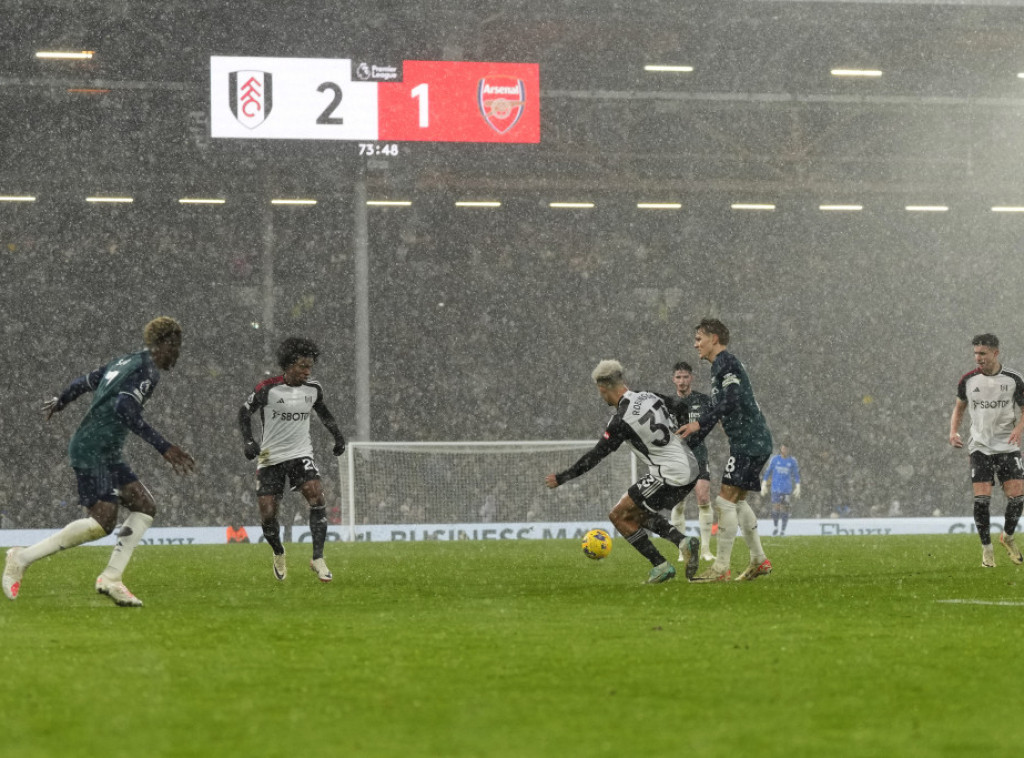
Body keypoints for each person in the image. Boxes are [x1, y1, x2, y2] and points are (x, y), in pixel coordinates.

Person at [2, 317, 196, 606]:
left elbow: (85, 382)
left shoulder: (125, 361)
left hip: (105, 450)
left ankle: (111, 578)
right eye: (176, 346)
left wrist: (62, 400)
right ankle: (22, 557)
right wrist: (163, 447)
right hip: (92, 449)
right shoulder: (147, 370)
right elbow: (125, 409)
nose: (178, 354)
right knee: (103, 522)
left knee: (145, 506)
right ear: (163, 345)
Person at [545, 360, 701, 584]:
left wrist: (562, 477)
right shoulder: (648, 396)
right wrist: (683, 433)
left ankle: (661, 565)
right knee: (635, 513)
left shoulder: (621, 420)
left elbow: (596, 455)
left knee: (618, 516)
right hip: (689, 467)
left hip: (670, 475)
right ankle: (681, 542)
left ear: (603, 388)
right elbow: (679, 405)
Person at [238, 337, 347, 583]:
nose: (307, 372)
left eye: (310, 367)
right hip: (270, 458)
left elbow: (325, 414)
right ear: (288, 365)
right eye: (302, 367)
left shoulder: (313, 389)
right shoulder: (267, 388)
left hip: (300, 454)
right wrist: (248, 440)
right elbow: (244, 412)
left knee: (316, 494)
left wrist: (338, 437)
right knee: (267, 514)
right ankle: (278, 552)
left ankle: (317, 558)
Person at [678, 318, 773, 582]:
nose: (695, 344)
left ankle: (721, 568)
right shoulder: (720, 365)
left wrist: (699, 424)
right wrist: (699, 432)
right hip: (751, 440)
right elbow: (721, 409)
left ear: (714, 339)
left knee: (723, 502)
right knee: (738, 502)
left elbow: (731, 399)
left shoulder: (725, 362)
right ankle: (759, 560)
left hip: (749, 441)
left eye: (699, 338)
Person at [949, 333, 1024, 568]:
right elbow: (959, 408)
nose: (978, 358)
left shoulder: (1013, 379)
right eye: (975, 353)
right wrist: (953, 432)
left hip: (1007, 447)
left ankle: (1008, 537)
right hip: (980, 447)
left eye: (982, 353)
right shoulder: (968, 380)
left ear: (995, 353)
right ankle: (987, 550)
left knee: (1018, 499)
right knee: (982, 501)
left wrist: (1019, 429)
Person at [666, 361, 716, 562]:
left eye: (685, 376)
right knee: (678, 504)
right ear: (673, 379)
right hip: (677, 456)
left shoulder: (703, 400)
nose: (682, 381)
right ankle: (682, 549)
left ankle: (705, 549)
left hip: (698, 452)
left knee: (703, 498)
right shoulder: (667, 404)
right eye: (678, 377)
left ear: (691, 378)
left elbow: (718, 419)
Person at [761, 443, 801, 536]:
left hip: (786, 489)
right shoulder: (775, 459)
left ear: (789, 449)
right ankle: (775, 527)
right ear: (781, 448)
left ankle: (783, 530)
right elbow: (768, 471)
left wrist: (798, 485)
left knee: (784, 509)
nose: (785, 450)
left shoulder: (792, 461)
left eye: (787, 448)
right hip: (776, 488)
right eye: (783, 448)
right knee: (776, 507)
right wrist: (764, 483)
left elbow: (796, 474)